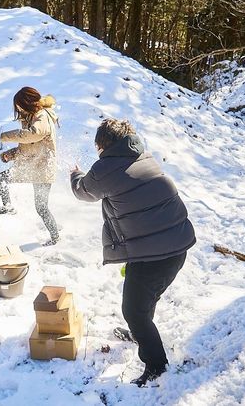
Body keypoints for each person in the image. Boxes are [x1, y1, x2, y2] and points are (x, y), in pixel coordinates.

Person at [70, 118, 196, 387]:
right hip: (176, 246)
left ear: (102, 144)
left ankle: (156, 367)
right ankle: (141, 334)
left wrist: (74, 175)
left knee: (134, 310)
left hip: (155, 255)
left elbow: (84, 191)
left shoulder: (106, 167)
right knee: (142, 304)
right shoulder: (142, 155)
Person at [0, 86, 60, 246]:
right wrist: (12, 154)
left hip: (43, 171)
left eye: (19, 105)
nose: (17, 109)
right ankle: (8, 206)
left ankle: (55, 238)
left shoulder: (42, 117)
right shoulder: (31, 117)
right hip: (31, 167)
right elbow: (29, 146)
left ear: (28, 103)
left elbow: (33, 135)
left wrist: (6, 136)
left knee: (41, 207)